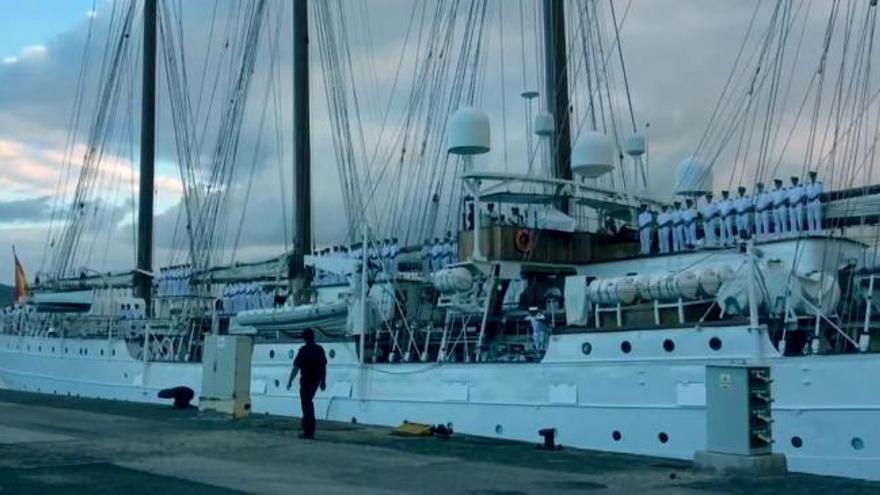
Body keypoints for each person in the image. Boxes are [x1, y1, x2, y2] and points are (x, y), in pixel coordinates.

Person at [286, 328, 327, 439]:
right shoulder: (319, 349)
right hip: (316, 381)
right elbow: (323, 366)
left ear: (304, 338)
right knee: (309, 402)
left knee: (306, 404)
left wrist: (290, 381)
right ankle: (310, 429)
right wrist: (323, 381)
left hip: (306, 380)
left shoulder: (303, 350)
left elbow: (296, 368)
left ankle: (308, 430)